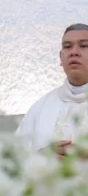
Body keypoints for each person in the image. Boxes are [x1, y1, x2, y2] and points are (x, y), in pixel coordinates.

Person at [17, 23, 88, 154]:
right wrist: (43, 157)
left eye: (84, 46)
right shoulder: (39, 109)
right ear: (61, 58)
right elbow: (13, 162)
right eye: (67, 47)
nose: (74, 52)